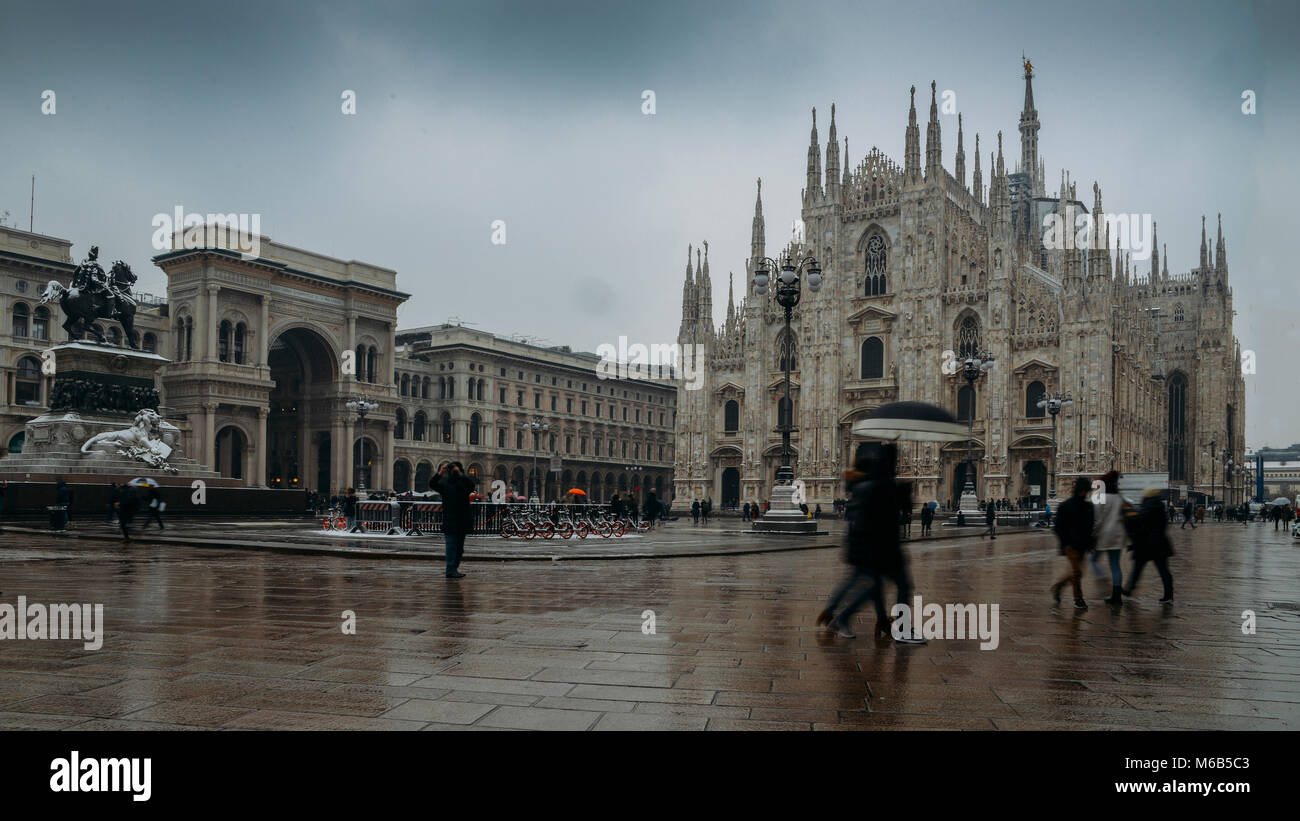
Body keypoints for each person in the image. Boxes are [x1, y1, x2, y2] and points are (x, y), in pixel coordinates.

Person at [1123, 488, 1174, 603]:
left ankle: (1129, 589)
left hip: (1145, 545)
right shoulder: (1160, 507)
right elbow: (1164, 525)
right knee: (1164, 571)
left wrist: (1128, 516)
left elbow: (1139, 523)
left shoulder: (1147, 506)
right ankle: (1169, 595)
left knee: (1137, 569)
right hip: (1160, 544)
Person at [1051, 477, 1096, 609]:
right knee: (1077, 572)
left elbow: (1091, 526)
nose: (1085, 493)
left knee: (1078, 573)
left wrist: (1091, 542)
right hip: (1070, 545)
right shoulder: (1066, 506)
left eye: (1086, 491)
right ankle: (1078, 599)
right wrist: (1065, 543)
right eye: (1084, 491)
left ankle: (1059, 586)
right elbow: (1058, 526)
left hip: (1083, 545)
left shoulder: (1089, 507)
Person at [1092, 471, 1132, 605]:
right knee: (1115, 565)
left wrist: (1093, 534)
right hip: (1118, 536)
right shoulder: (1120, 498)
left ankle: (1103, 579)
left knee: (1093, 560)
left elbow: (1097, 520)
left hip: (1105, 535)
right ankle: (1116, 596)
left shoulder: (1101, 497)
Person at [430, 462, 474, 579]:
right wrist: (440, 473)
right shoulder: (445, 483)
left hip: (462, 519)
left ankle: (454, 568)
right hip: (450, 519)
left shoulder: (464, 483)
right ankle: (450, 569)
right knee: (450, 546)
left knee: (459, 548)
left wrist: (460, 473)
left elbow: (472, 485)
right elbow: (432, 484)